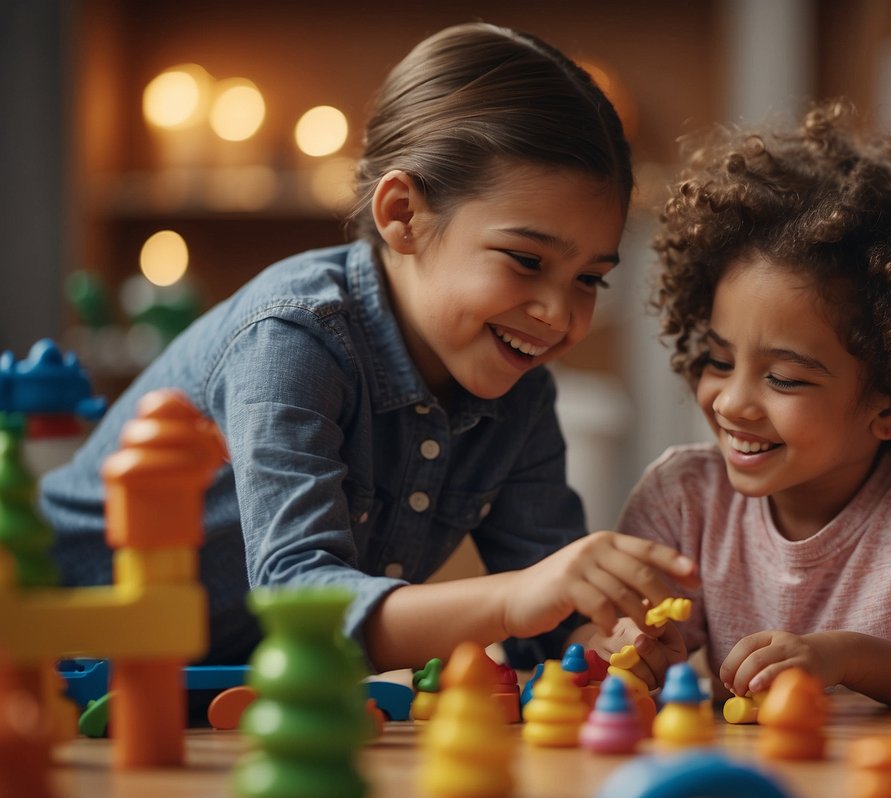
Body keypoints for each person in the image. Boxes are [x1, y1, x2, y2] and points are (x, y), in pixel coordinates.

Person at [39, 22, 697, 674]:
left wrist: (608, 639)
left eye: (589, 279)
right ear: (403, 215)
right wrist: (520, 597)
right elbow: (298, 597)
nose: (559, 314)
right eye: (525, 260)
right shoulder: (292, 338)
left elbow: (550, 611)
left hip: (222, 699)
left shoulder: (519, 392)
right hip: (55, 654)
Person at [608, 101, 891, 705]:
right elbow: (618, 639)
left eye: (784, 379)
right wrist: (629, 649)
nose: (734, 402)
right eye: (720, 361)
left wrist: (843, 657)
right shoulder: (682, 499)